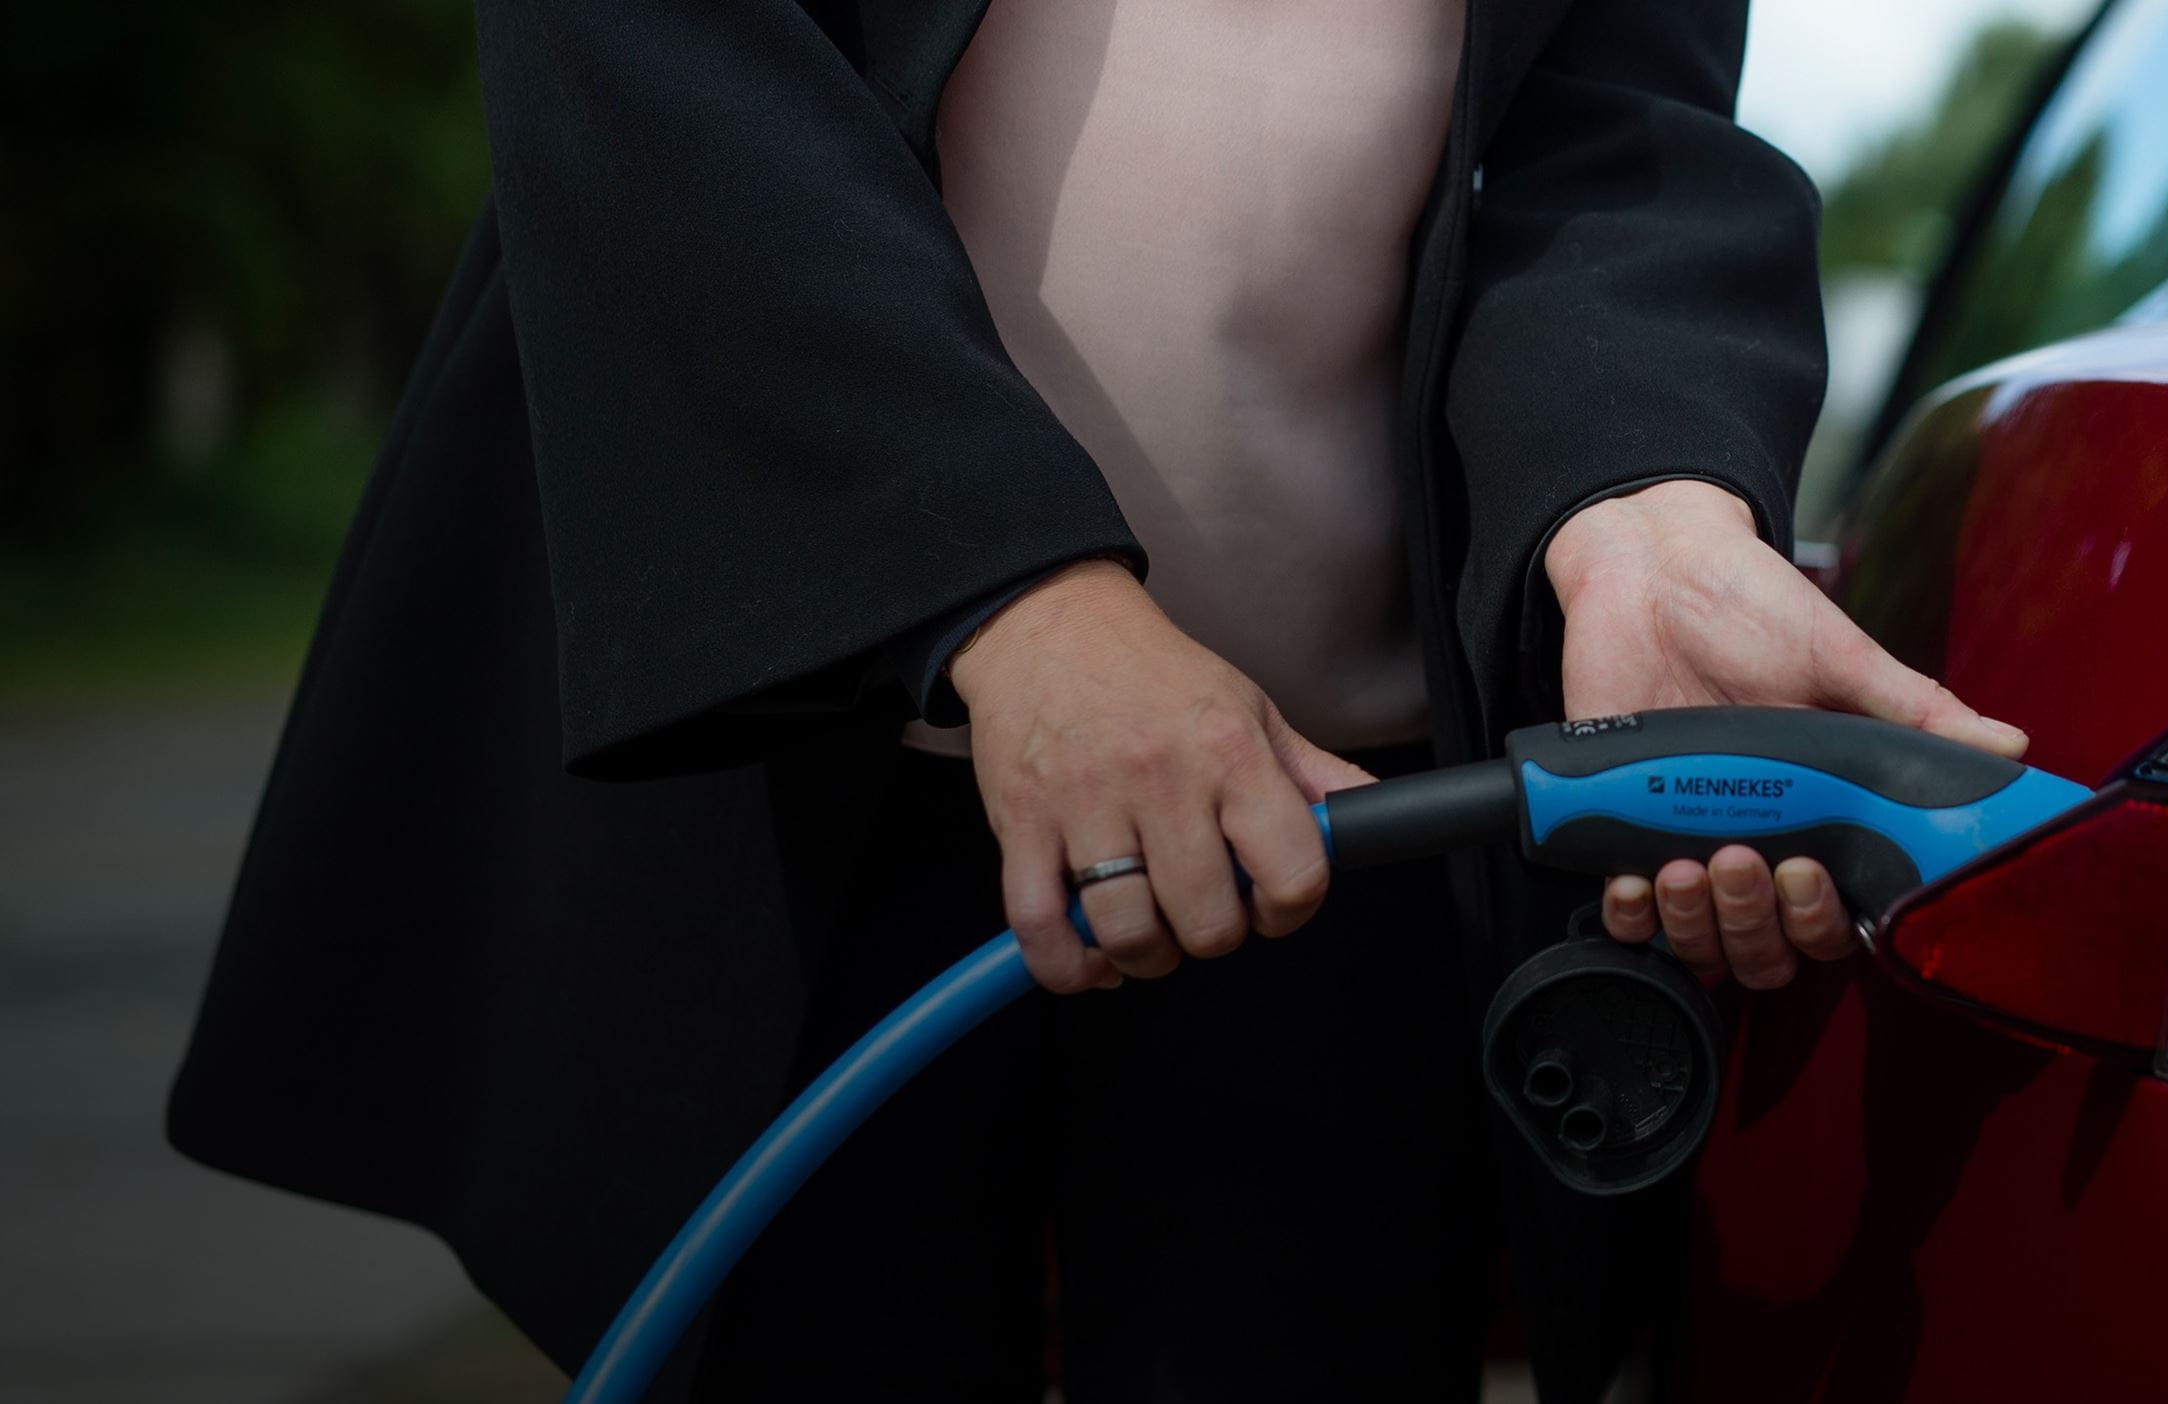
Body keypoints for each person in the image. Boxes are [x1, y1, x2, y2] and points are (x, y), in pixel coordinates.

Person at [166, 0, 2022, 1399]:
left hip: (1337, 828)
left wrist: (1643, 509)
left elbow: (1609, 139)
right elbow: (657, 61)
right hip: (795, 799)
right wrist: (1001, 590)